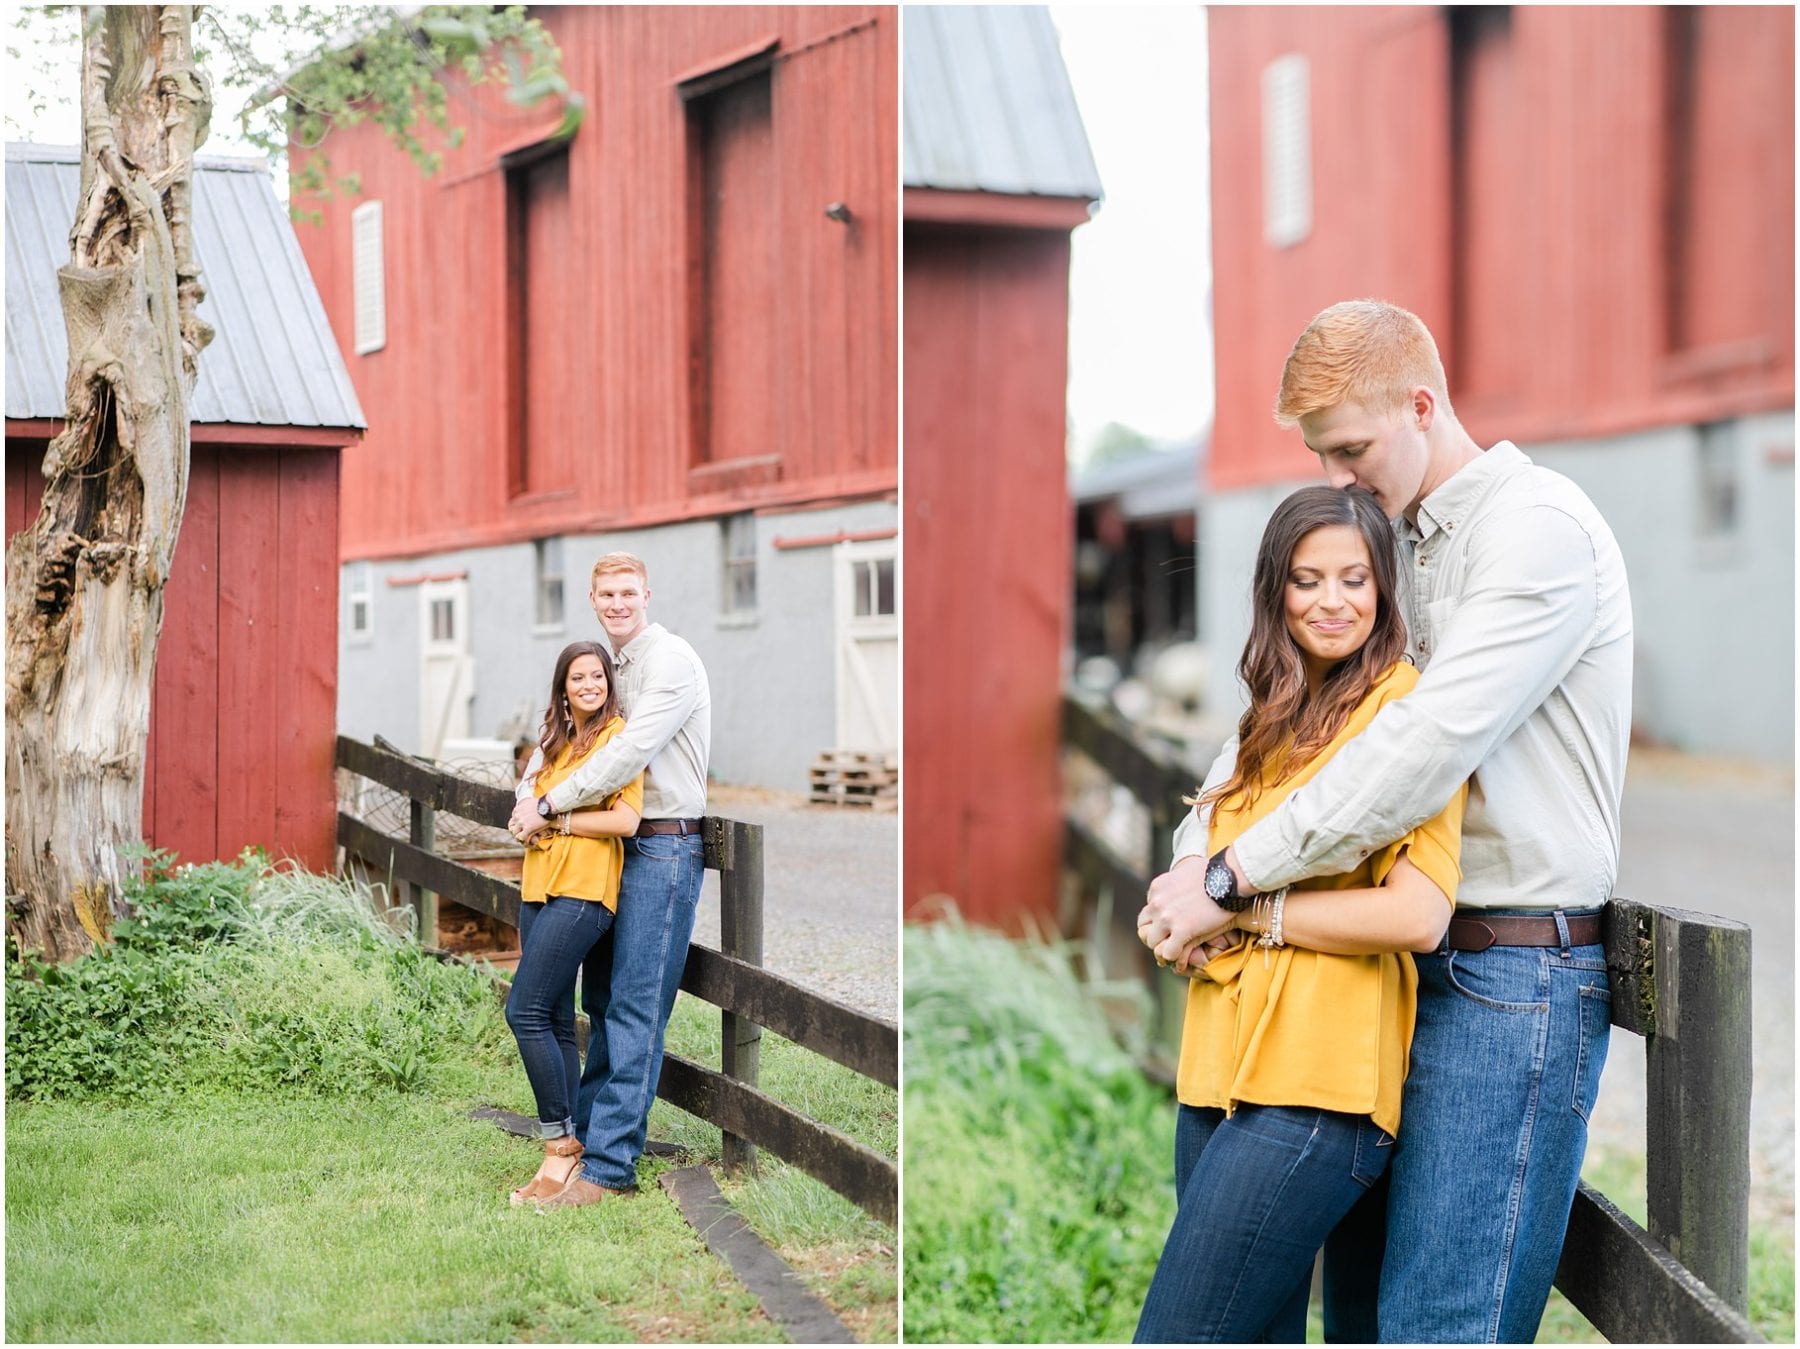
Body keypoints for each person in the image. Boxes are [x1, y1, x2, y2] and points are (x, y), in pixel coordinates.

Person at [1137, 299, 1632, 1342]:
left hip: (1509, 975)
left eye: (1353, 448)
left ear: (1422, 402)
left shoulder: (1533, 531)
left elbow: (1420, 745)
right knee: (1361, 1316)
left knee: (1439, 1322)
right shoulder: (1397, 542)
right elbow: (1285, 720)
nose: (1341, 478)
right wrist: (1194, 856)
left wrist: (1232, 884)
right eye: (1325, 457)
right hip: (1395, 969)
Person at [1132, 486, 1467, 1343]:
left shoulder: (1407, 714)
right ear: (1275, 591)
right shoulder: (1269, 715)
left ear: (1384, 590)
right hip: (1216, 1070)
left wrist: (1242, 916)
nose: (1333, 601)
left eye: (1355, 579)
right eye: (1308, 579)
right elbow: (1203, 848)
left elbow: (1417, 915)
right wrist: (1178, 911)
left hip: (1319, 1086)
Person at [508, 551, 712, 1209]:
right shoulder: (614, 666)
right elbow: (570, 732)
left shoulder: (671, 662)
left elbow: (627, 752)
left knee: (634, 1006)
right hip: (616, 851)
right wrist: (529, 785)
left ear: (647, 593)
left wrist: (548, 805)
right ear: (594, 602)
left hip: (663, 849)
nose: (619, 603)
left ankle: (610, 1169)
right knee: (598, 999)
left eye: (629, 591)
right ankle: (590, 1143)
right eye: (607, 595)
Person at [504, 640, 644, 1206]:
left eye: (598, 676)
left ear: (609, 682)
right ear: (563, 687)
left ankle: (558, 1143)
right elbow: (525, 805)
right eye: (578, 678)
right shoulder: (554, 745)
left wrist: (557, 819)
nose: (589, 685)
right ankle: (568, 1147)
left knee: (524, 1010)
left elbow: (626, 820)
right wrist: (533, 820)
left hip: (584, 890)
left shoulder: (620, 740)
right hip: (538, 885)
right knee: (556, 1018)